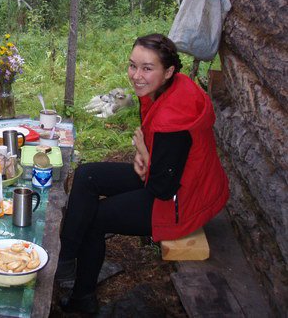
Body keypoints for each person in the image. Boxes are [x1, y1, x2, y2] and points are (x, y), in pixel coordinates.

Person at [56, 33, 229, 314]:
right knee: (87, 174)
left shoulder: (174, 115)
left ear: (169, 70)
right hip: (177, 176)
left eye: (147, 68)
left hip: (182, 200)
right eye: (133, 65)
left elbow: (161, 187)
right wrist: (144, 152)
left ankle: (82, 298)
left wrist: (146, 154)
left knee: (95, 219)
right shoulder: (167, 87)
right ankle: (66, 260)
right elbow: (158, 143)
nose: (136, 76)